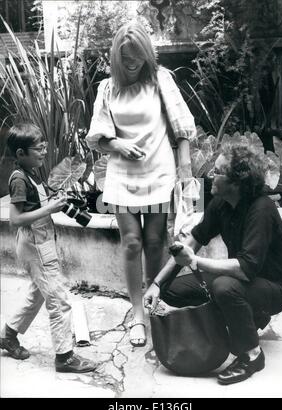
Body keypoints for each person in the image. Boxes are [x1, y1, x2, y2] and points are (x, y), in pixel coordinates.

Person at [144, 143, 282, 384]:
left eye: (217, 172)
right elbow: (192, 243)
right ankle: (247, 319)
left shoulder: (261, 209)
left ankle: (252, 355)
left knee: (224, 287)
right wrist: (157, 284)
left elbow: (245, 269)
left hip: (274, 289)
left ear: (237, 181)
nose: (210, 175)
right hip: (243, 280)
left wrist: (195, 261)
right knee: (172, 290)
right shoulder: (221, 203)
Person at [86, 22, 196, 347]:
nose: (132, 62)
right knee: (131, 243)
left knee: (154, 242)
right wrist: (116, 145)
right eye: (126, 57)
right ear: (117, 56)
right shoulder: (107, 88)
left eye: (138, 56)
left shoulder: (160, 80)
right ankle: (137, 314)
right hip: (122, 175)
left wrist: (185, 170)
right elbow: (98, 138)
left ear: (146, 54)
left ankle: (154, 301)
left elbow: (183, 128)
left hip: (158, 172)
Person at [0, 123, 97, 373]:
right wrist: (50, 209)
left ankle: (8, 335)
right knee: (59, 299)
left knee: (38, 295)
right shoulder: (20, 178)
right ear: (20, 153)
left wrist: (56, 202)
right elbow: (14, 219)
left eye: (44, 145)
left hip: (42, 242)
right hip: (35, 245)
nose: (43, 151)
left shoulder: (32, 172)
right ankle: (64, 357)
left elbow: (34, 207)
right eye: (38, 148)